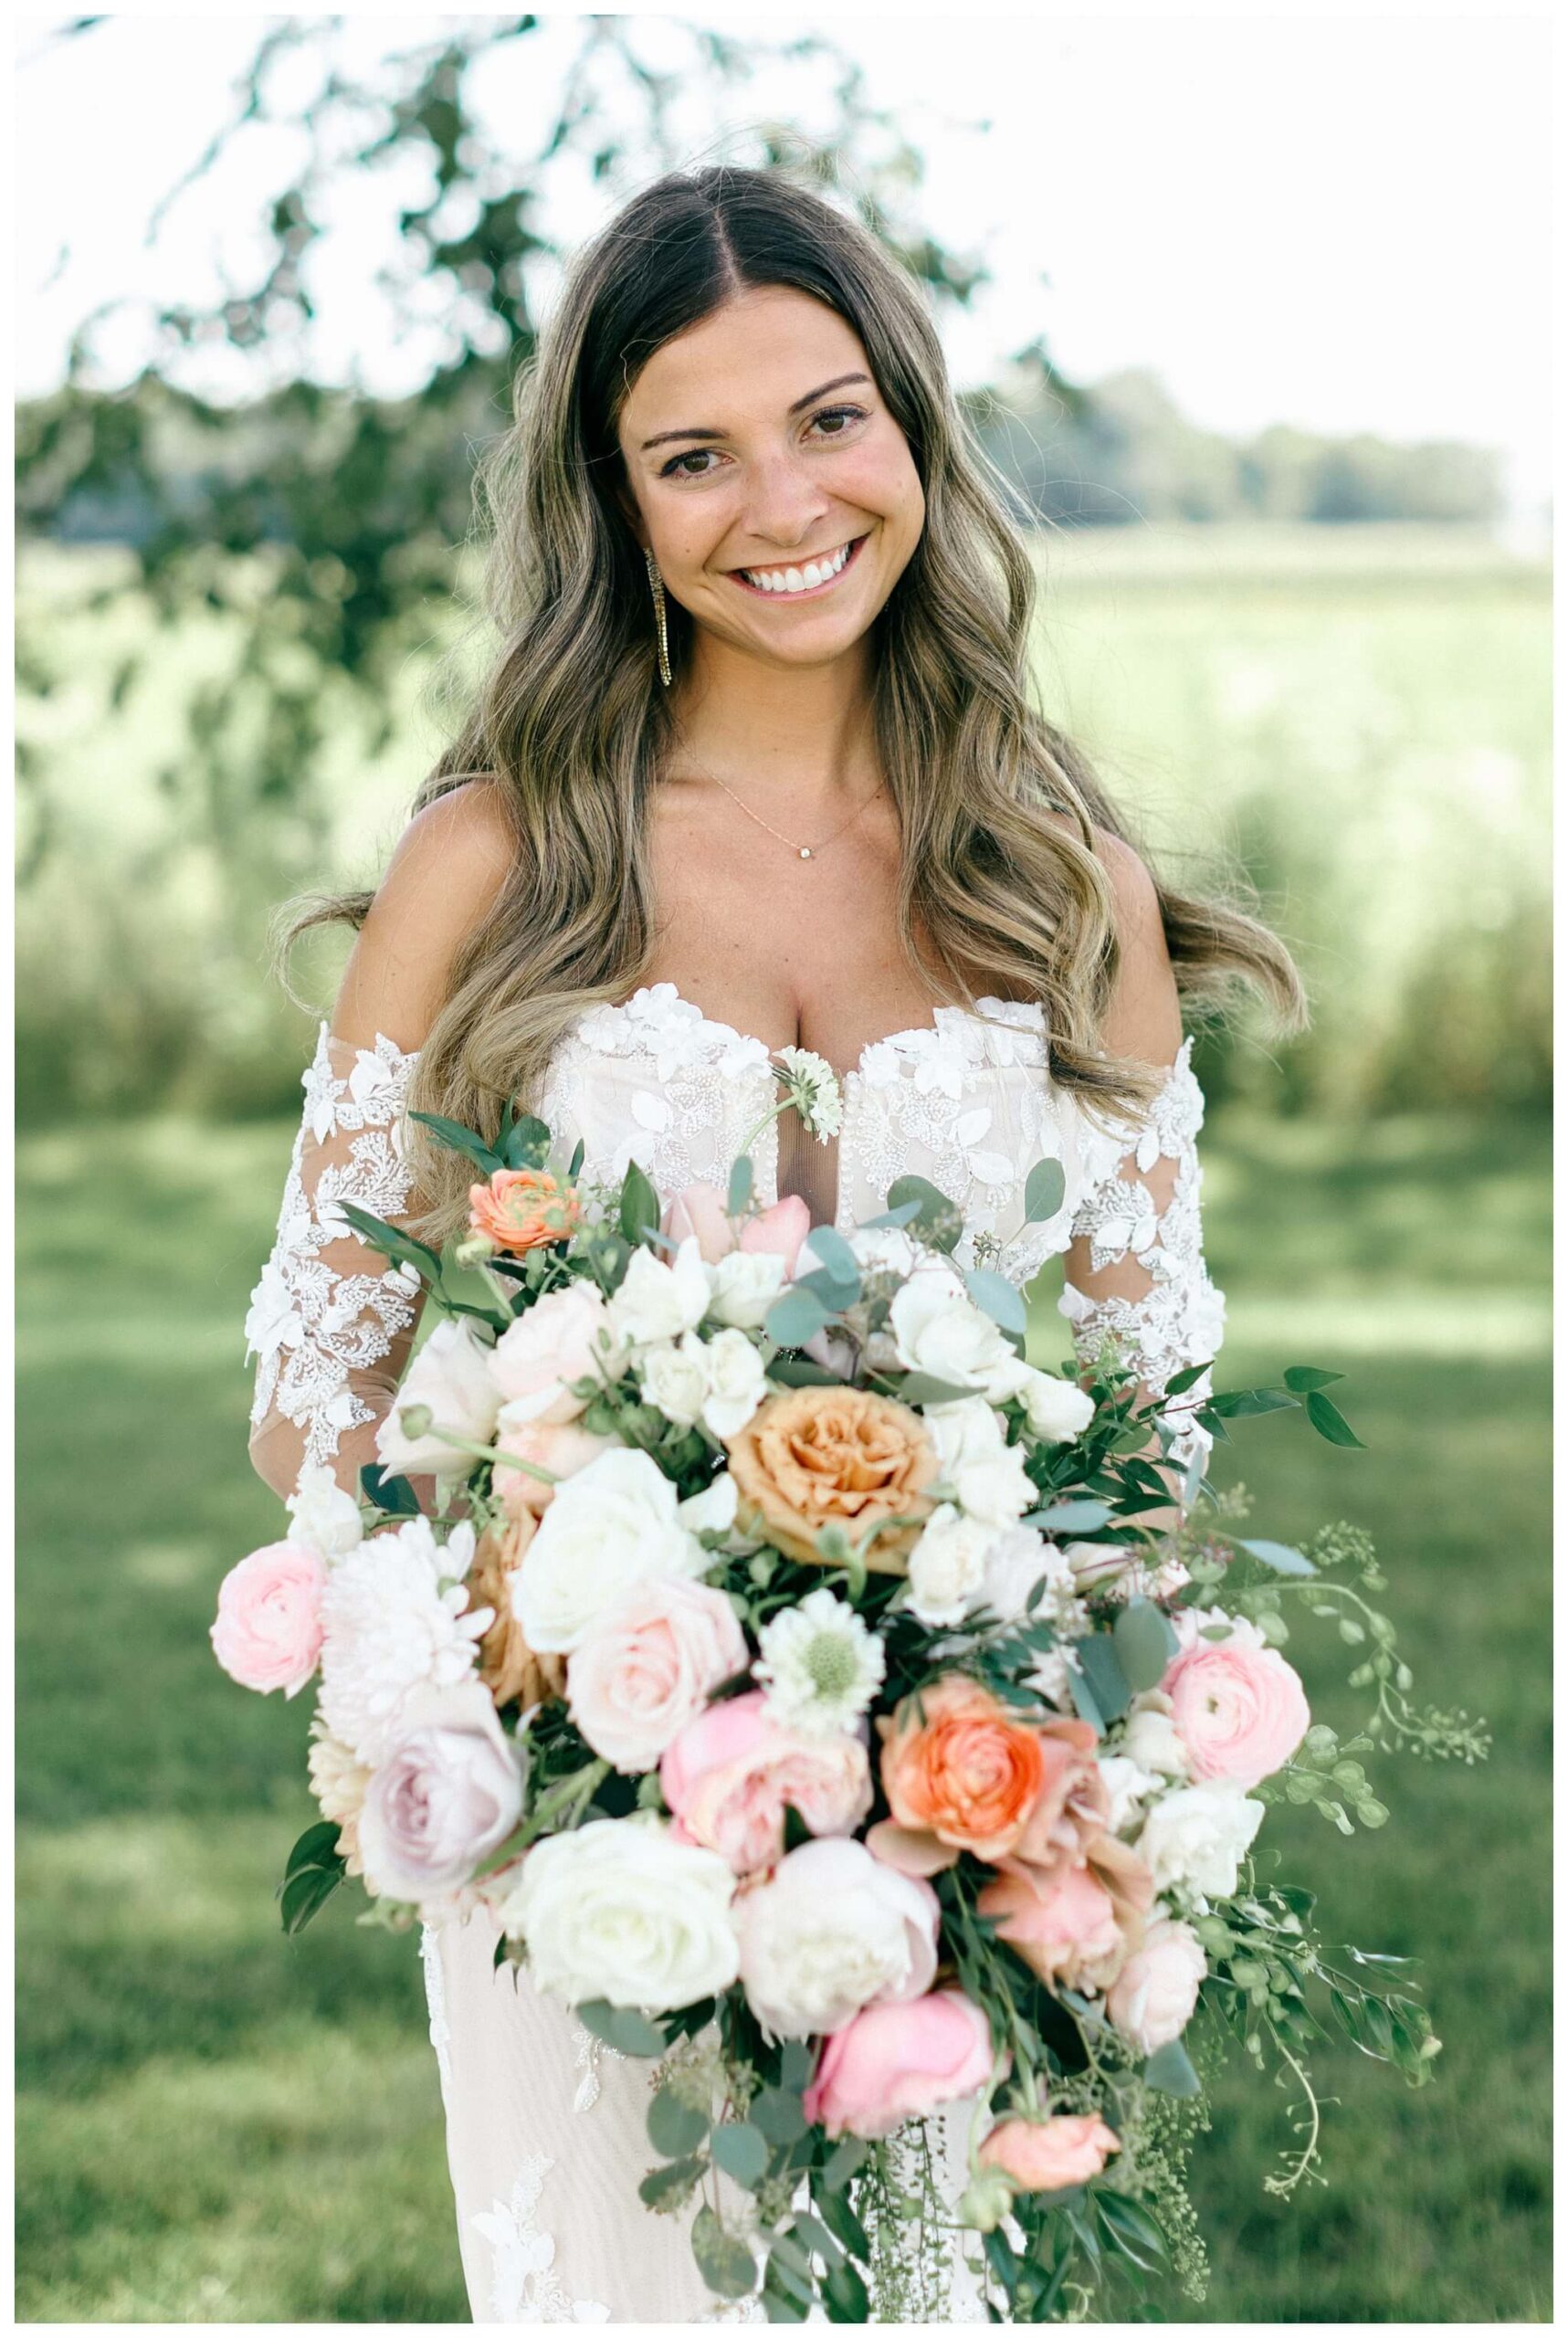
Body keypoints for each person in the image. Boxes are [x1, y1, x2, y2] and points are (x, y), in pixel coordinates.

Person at [244, 164, 1304, 2323]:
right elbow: (316, 1395)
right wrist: (527, 1694)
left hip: (973, 1826)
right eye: (692, 455)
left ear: (911, 431)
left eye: (829, 420)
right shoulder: (494, 864)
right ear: (615, 505)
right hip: (596, 1844)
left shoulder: (1053, 879)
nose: (781, 499)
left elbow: (1144, 1424)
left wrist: (1063, 1777)